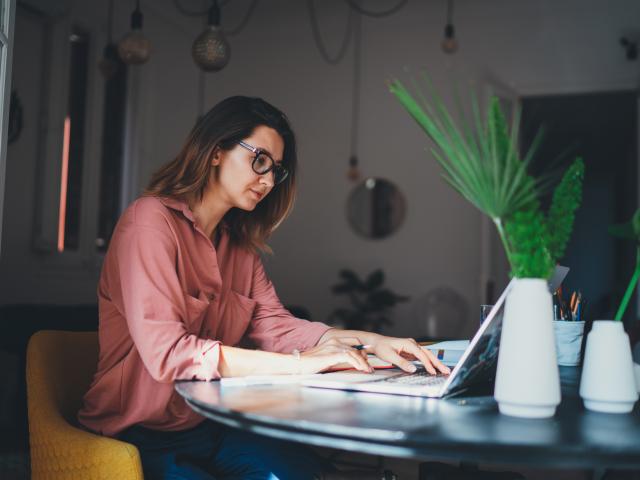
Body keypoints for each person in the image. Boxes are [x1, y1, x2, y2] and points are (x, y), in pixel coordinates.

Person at [78, 96, 449, 480]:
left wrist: (370, 341)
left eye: (277, 171)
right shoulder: (149, 223)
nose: (269, 181)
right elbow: (169, 353)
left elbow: (276, 326)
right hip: (136, 434)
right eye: (260, 161)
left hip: (211, 421)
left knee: (302, 472)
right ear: (216, 151)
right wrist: (300, 366)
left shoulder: (239, 248)